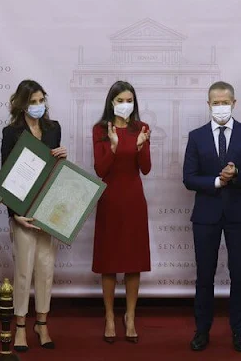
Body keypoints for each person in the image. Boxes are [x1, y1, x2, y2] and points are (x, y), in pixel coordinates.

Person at [183, 81, 241, 353]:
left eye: (225, 102)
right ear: (208, 105)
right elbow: (189, 178)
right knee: (205, 275)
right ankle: (202, 330)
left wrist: (236, 174)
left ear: (234, 103)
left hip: (239, 213)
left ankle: (239, 331)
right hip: (206, 214)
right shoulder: (197, 136)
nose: (221, 107)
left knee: (240, 274)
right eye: (216, 103)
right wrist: (217, 181)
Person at [1, 80, 67, 352]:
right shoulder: (11, 132)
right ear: (21, 104)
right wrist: (15, 214)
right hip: (23, 213)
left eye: (41, 101)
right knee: (23, 271)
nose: (38, 106)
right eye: (33, 102)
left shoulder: (53, 129)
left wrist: (62, 156)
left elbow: (56, 171)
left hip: (47, 211)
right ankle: (19, 326)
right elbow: (5, 176)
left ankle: (42, 323)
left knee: (46, 269)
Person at [92, 80, 151, 344]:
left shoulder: (142, 128)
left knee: (133, 262)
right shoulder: (100, 130)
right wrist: (114, 147)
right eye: (120, 100)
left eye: (129, 100)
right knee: (109, 262)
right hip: (110, 199)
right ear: (111, 102)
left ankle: (130, 316)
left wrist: (140, 146)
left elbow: (146, 168)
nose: (125, 104)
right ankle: (108, 316)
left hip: (134, 199)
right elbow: (100, 170)